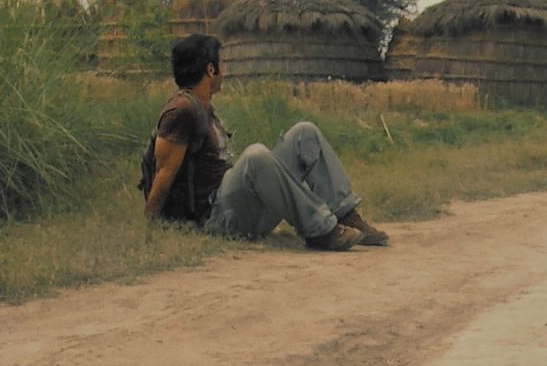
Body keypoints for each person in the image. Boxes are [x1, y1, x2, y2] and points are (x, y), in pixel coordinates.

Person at [142, 33, 390, 251]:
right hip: (214, 219)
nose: (224, 70)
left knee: (305, 133)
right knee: (255, 156)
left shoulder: (204, 107)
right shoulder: (181, 109)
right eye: (222, 64)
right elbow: (163, 172)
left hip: (238, 211)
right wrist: (150, 228)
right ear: (210, 69)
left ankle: (344, 213)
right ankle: (321, 231)